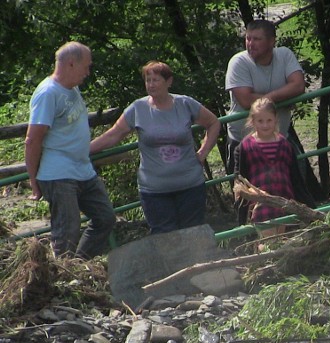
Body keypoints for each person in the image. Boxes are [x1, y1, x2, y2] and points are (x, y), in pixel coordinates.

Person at [90, 61, 220, 234]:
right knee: (164, 237)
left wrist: (203, 152)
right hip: (154, 190)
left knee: (193, 234)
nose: (151, 84)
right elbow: (114, 135)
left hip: (190, 185)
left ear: (169, 82)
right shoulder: (138, 108)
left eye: (156, 80)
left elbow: (213, 123)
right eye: (147, 80)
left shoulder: (185, 104)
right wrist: (83, 150)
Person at [25, 41, 116, 259]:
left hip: (83, 169)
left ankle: (78, 267)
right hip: (58, 173)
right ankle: (63, 278)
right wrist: (33, 179)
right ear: (72, 64)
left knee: (105, 218)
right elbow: (33, 139)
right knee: (67, 232)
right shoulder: (48, 94)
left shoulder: (72, 88)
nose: (88, 72)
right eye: (87, 66)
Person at [225, 19, 306, 225]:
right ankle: (247, 239)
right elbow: (245, 100)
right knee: (246, 196)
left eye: (257, 39)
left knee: (287, 188)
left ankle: (292, 230)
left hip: (279, 140)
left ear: (272, 41)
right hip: (243, 144)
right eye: (248, 38)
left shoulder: (284, 55)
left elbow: (298, 86)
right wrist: (280, 99)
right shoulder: (239, 62)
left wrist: (263, 99)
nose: (250, 43)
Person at [233, 97, 309, 238]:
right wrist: (241, 218)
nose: (265, 125)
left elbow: (296, 179)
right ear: (252, 121)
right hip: (260, 207)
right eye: (260, 121)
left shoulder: (286, 145)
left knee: (289, 242)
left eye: (269, 120)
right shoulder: (244, 147)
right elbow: (240, 182)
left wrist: (310, 208)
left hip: (287, 203)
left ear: (275, 120)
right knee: (267, 244)